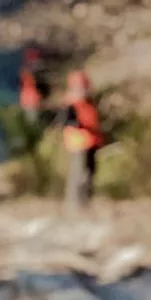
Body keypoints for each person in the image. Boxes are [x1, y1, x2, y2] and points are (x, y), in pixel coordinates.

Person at [62, 69, 104, 212]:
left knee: (89, 173)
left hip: (91, 141)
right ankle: (76, 205)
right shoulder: (71, 103)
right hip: (79, 143)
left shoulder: (89, 102)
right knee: (79, 175)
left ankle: (85, 203)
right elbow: (68, 121)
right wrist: (79, 126)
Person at [19, 48, 45, 124]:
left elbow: (36, 94)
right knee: (32, 64)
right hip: (30, 80)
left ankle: (32, 51)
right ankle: (33, 51)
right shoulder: (25, 103)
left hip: (30, 80)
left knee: (31, 64)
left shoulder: (29, 103)